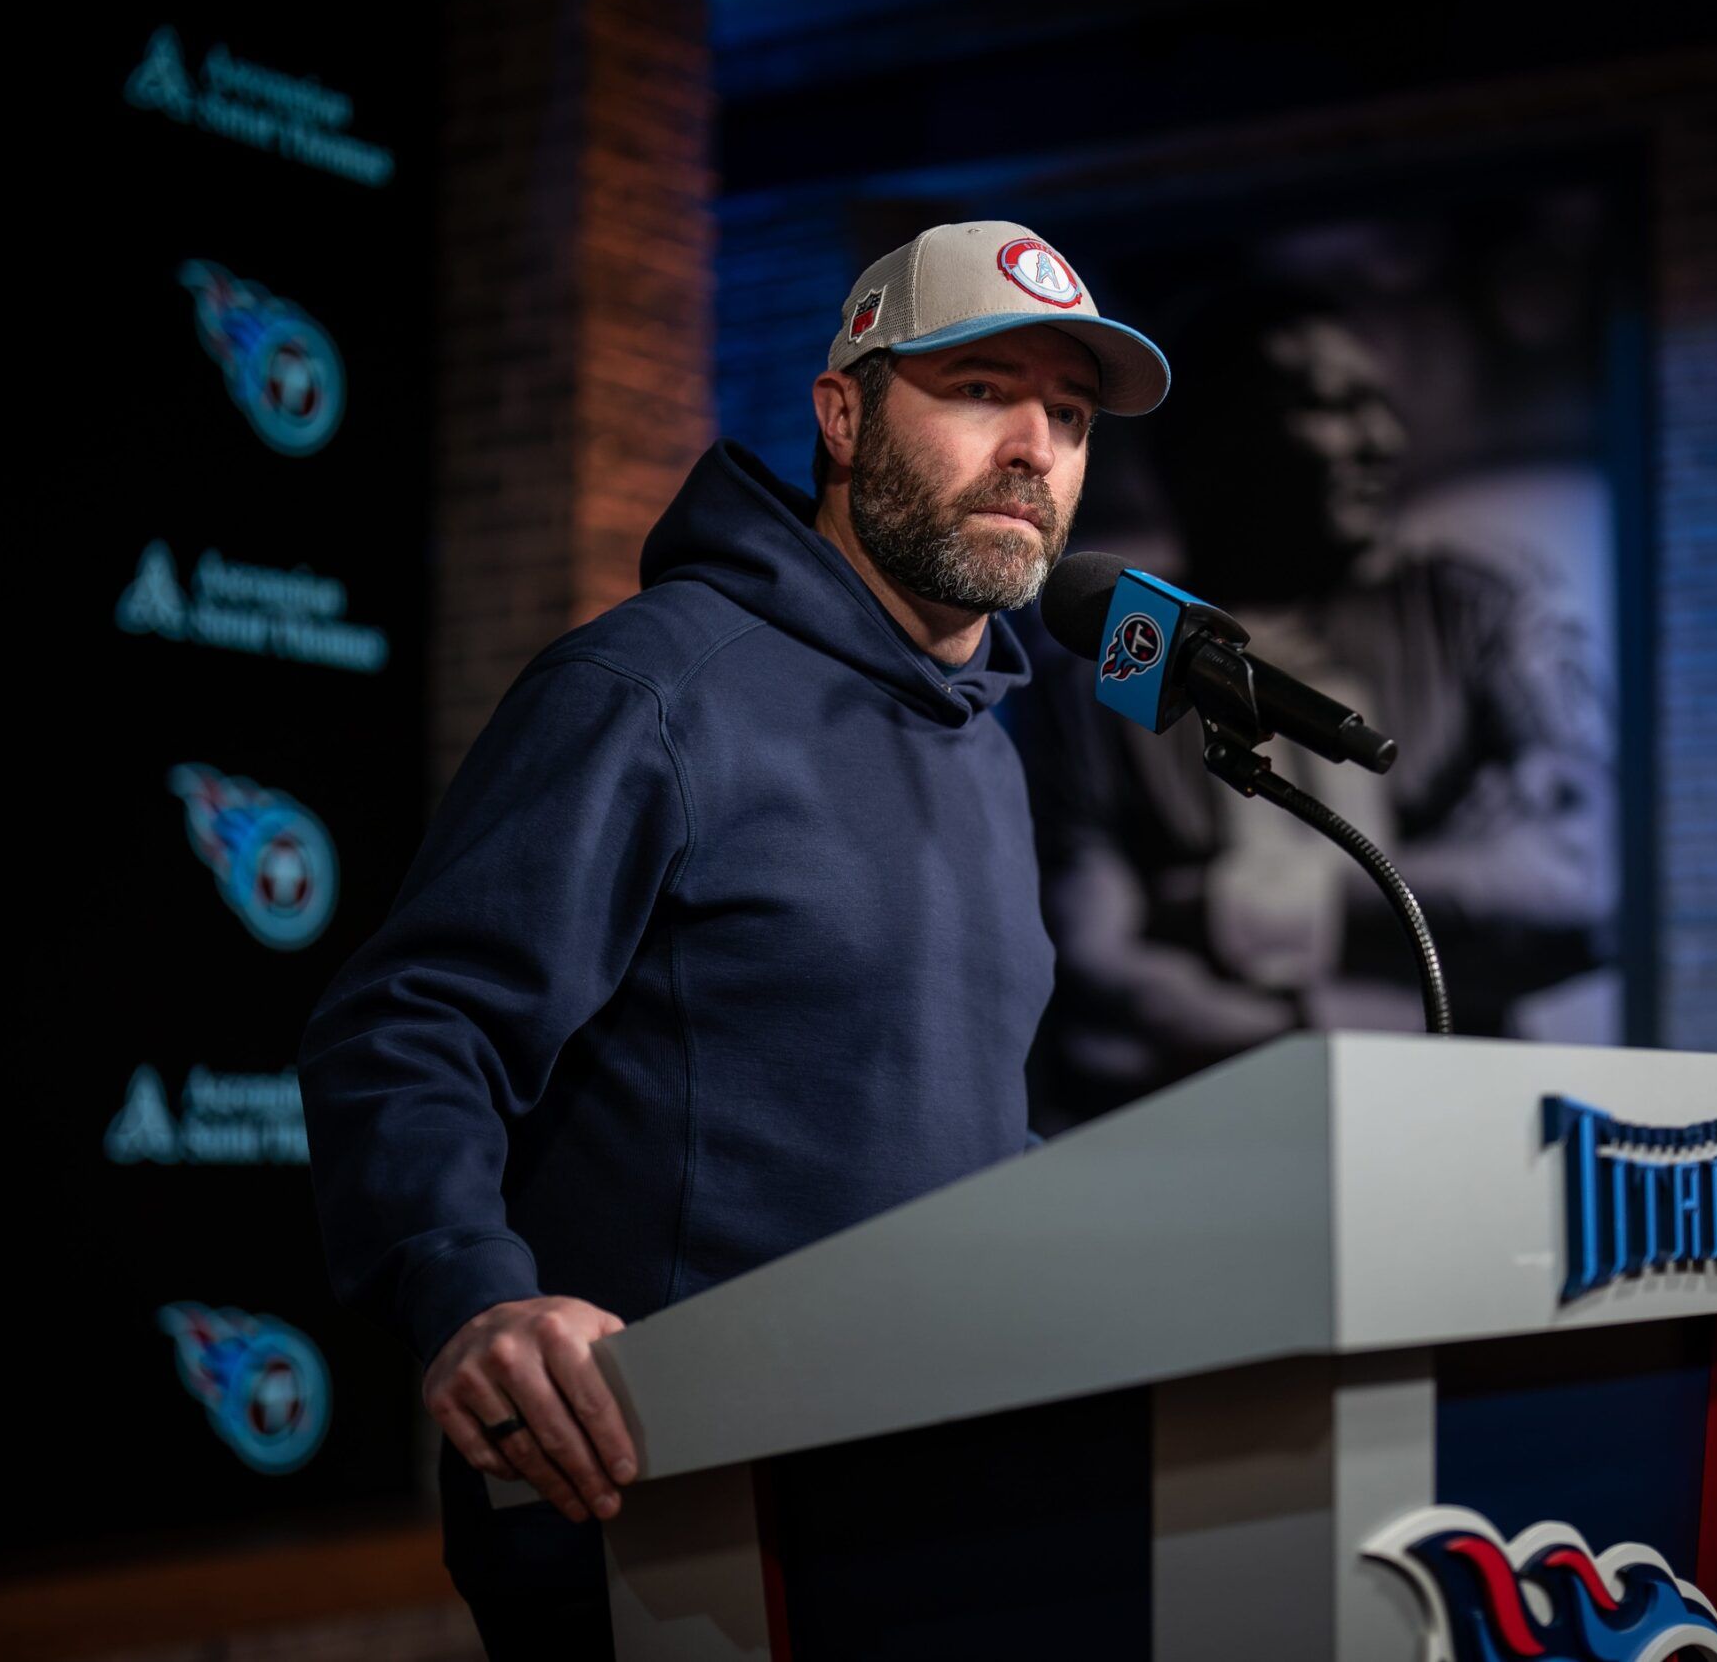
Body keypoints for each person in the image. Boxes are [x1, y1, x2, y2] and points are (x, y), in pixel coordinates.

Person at [298, 222, 1169, 1655]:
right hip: (675, 1516)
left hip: (937, 1510)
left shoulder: (992, 750)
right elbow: (409, 1028)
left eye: (1069, 416)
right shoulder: (650, 689)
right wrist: (471, 1290)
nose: (1034, 447)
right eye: (977, 390)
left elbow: (920, 1127)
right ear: (841, 414)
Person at [1016, 284, 1615, 1122]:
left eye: (1383, 407)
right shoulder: (1123, 650)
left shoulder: (1474, 612)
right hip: (1205, 1131)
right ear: (1204, 445)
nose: (1382, 440)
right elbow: (1091, 959)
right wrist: (1312, 1038)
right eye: (1333, 406)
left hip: (1460, 1115)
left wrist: (1245, 907)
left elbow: (1576, 885)